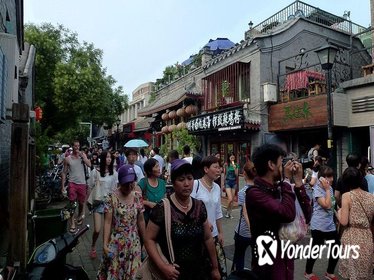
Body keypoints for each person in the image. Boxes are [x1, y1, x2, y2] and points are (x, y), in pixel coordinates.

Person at [144, 159, 220, 280]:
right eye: (181, 179)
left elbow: (207, 238)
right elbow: (149, 239)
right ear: (173, 183)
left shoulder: (199, 206)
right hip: (173, 274)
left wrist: (215, 268)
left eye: (190, 178)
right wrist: (163, 266)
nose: (186, 183)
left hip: (198, 271)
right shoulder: (163, 208)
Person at [246, 143, 311, 280]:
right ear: (271, 164)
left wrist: (298, 182)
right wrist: (287, 181)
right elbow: (287, 214)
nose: (284, 167)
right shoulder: (254, 194)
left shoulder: (280, 188)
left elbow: (307, 215)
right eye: (282, 162)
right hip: (269, 266)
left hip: (286, 260)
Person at [97, 164, 145, 279]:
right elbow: (108, 222)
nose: (129, 186)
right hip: (116, 243)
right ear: (120, 182)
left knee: (133, 275)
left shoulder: (138, 197)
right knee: (116, 273)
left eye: (131, 183)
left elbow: (141, 221)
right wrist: (104, 244)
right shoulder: (111, 198)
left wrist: (146, 242)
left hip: (134, 244)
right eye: (126, 184)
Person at [191, 155, 226, 279]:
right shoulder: (195, 185)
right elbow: (190, 208)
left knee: (218, 269)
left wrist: (221, 232)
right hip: (198, 235)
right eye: (215, 167)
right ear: (206, 169)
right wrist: (204, 221)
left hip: (214, 236)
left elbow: (218, 212)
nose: (219, 170)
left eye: (220, 167)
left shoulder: (216, 187)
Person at [337, 167, 374, 280]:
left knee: (351, 272)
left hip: (351, 237)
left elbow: (344, 221)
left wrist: (338, 213)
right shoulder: (371, 197)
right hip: (367, 236)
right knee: (363, 272)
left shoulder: (346, 196)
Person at [304, 165, 340, 280]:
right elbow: (326, 205)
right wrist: (327, 189)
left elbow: (332, 204)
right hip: (318, 226)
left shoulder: (330, 188)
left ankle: (329, 272)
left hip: (330, 225)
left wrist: (338, 212)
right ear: (322, 178)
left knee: (336, 247)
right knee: (316, 249)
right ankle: (308, 272)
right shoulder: (317, 190)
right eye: (329, 177)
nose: (332, 179)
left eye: (332, 176)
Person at [88, 151, 118, 259]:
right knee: (97, 229)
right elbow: (90, 187)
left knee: (108, 229)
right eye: (107, 157)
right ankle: (93, 245)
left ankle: (106, 249)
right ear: (103, 158)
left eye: (110, 157)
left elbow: (115, 190)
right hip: (98, 202)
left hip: (109, 202)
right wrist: (89, 202)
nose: (109, 159)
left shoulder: (114, 173)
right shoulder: (95, 172)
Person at [61, 140, 91, 233]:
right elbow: (64, 173)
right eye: (75, 146)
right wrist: (62, 186)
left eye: (78, 146)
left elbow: (89, 165)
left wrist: (83, 157)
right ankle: (72, 223)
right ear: (72, 147)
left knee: (81, 203)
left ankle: (80, 214)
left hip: (82, 183)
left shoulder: (83, 156)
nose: (77, 148)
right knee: (72, 204)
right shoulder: (67, 159)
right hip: (72, 183)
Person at [232, 161, 256, 272]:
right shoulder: (260, 190)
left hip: (243, 232)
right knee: (256, 259)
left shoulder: (243, 192)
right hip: (257, 232)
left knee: (239, 258)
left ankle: (239, 275)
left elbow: (245, 212)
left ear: (245, 174)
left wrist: (251, 228)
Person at [137, 158, 166, 223]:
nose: (159, 168)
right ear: (149, 170)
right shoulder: (143, 183)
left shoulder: (162, 183)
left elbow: (165, 199)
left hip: (160, 220)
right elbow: (135, 199)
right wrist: (148, 203)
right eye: (156, 166)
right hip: (145, 220)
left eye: (159, 166)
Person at [224, 154, 239, 218]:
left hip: (234, 183)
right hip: (228, 182)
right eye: (231, 156)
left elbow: (236, 175)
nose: (233, 157)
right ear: (229, 157)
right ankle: (227, 211)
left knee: (232, 199)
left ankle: (230, 213)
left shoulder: (236, 165)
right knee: (230, 199)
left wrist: (235, 167)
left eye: (233, 156)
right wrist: (223, 184)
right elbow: (225, 174)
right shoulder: (226, 164)